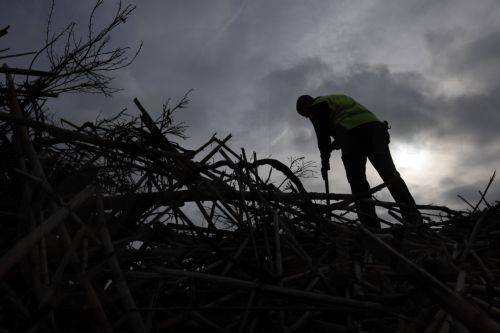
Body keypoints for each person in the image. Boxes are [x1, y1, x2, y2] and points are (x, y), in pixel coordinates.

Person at [296, 94, 422, 229]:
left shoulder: (317, 106)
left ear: (307, 106)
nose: (308, 117)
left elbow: (323, 136)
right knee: (391, 176)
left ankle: (371, 227)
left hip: (353, 134)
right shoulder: (336, 99)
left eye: (306, 115)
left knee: (358, 182)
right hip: (375, 131)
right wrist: (336, 144)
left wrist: (325, 162)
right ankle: (414, 219)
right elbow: (352, 125)